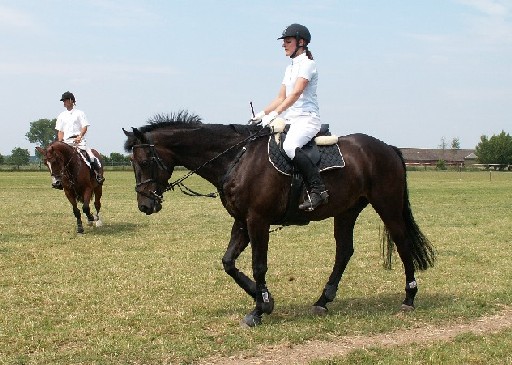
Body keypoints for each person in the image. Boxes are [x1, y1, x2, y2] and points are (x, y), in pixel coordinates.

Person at [251, 23, 328, 211]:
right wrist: (262, 114)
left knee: (290, 146)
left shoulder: (308, 65)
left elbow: (296, 94)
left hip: (307, 118)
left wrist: (277, 114)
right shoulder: (290, 68)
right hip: (291, 120)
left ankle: (318, 191)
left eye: (288, 41)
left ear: (301, 42)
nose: (283, 45)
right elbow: (281, 97)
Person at [54, 91, 104, 188]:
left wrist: (80, 136)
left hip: (79, 140)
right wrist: (60, 142)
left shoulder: (79, 113)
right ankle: (58, 180)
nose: (64, 102)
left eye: (65, 100)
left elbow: (84, 126)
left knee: (91, 156)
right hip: (66, 142)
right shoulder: (61, 115)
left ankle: (98, 175)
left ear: (71, 100)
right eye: (63, 101)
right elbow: (60, 131)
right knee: (58, 160)